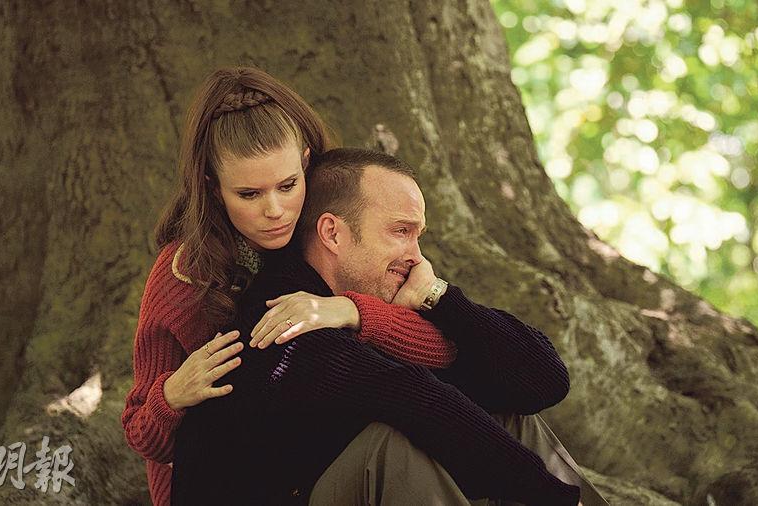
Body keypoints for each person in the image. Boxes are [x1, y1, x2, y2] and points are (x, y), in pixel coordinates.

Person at [171, 148, 589, 505]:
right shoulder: (283, 313)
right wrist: (555, 498)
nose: (416, 256)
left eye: (417, 235)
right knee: (394, 445)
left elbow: (544, 382)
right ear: (333, 233)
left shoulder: (377, 304)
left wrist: (440, 298)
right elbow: (412, 396)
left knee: (510, 416)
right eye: (400, 231)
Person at [121, 68, 461, 506]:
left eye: (287, 186)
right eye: (249, 194)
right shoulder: (184, 274)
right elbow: (143, 437)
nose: (275, 210)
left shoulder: (330, 236)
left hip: (333, 456)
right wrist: (172, 395)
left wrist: (354, 312)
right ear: (213, 188)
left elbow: (443, 352)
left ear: (305, 163)